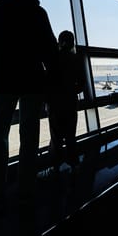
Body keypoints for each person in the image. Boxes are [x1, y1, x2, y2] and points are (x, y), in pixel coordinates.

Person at [0, 0, 59, 214]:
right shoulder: (39, 13)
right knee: (29, 136)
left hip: (3, 81)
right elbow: (50, 52)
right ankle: (26, 190)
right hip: (33, 83)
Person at [47, 30, 85, 172]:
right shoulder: (76, 59)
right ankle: (74, 164)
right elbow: (82, 84)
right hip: (70, 102)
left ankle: (54, 168)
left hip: (55, 103)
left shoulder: (53, 58)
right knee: (70, 135)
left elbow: (48, 81)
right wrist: (70, 91)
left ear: (60, 42)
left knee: (56, 137)